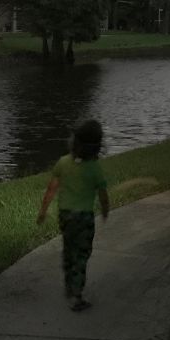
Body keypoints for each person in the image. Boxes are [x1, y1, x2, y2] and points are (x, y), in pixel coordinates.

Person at [37, 119, 110, 311]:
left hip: (66, 217)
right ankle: (76, 296)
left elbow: (51, 190)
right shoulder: (94, 169)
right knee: (82, 254)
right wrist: (105, 211)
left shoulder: (63, 162)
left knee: (69, 249)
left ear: (74, 143)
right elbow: (103, 195)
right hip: (84, 219)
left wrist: (43, 211)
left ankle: (69, 284)